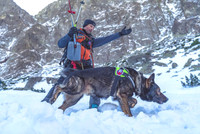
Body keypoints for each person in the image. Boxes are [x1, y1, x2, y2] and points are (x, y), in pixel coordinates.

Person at [42, 19, 132, 108]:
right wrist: (69, 34)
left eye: (93, 27)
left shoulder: (91, 40)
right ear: (85, 25)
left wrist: (120, 34)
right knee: (61, 83)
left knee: (96, 83)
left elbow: (105, 40)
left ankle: (94, 105)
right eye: (90, 26)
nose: (92, 28)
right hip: (72, 65)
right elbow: (60, 44)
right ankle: (46, 102)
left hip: (86, 67)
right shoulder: (74, 35)